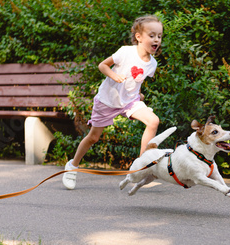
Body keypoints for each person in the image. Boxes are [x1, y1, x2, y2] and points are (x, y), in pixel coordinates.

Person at [62, 15, 163, 190]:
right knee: (93, 138)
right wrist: (114, 75)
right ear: (139, 37)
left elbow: (137, 80)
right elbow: (102, 65)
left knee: (153, 121)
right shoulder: (125, 52)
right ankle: (72, 165)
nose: (156, 40)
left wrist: (139, 95)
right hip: (107, 101)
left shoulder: (152, 63)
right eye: (152, 35)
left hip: (130, 102)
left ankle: (140, 169)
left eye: (159, 36)